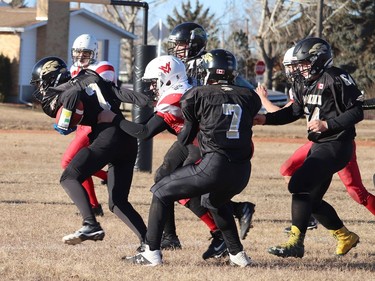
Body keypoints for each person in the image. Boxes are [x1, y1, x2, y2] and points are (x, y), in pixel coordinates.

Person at [124, 49, 261, 266]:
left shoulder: (192, 95)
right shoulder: (247, 95)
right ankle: (238, 256)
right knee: (214, 200)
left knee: (161, 190)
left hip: (211, 159)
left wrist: (114, 118)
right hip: (241, 167)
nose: (152, 87)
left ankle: (151, 253)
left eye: (154, 82)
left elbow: (180, 135)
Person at [254, 37, 363, 258]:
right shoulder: (303, 83)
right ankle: (344, 236)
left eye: (302, 63)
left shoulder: (335, 77)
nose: (297, 69)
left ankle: (296, 243)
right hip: (319, 145)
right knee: (310, 200)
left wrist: (328, 124)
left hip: (337, 143)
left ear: (317, 60)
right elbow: (293, 112)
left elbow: (356, 112)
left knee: (299, 184)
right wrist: (265, 119)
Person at [30, 56, 151, 246]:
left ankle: (90, 223)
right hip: (127, 139)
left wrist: (64, 121)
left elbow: (70, 98)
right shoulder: (89, 75)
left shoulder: (63, 89)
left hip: (107, 136)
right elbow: (128, 95)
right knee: (118, 202)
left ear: (51, 78)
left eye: (41, 82)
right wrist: (148, 100)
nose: (40, 88)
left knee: (69, 177)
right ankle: (150, 245)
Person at [164, 22, 256, 256]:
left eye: (182, 45)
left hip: (205, 134)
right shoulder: (181, 64)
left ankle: (222, 227)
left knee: (183, 185)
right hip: (190, 131)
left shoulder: (210, 62)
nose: (177, 49)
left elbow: (242, 89)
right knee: (164, 177)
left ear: (195, 43)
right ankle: (174, 236)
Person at [62, 34, 115, 216]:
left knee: (69, 162)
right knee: (77, 163)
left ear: (94, 52)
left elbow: (97, 94)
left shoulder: (103, 67)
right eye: (77, 52)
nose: (80, 56)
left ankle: (96, 199)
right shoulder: (74, 69)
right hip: (82, 124)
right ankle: (94, 203)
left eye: (85, 52)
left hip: (95, 123)